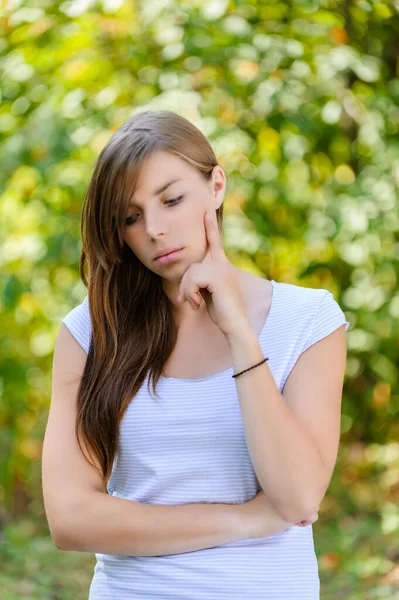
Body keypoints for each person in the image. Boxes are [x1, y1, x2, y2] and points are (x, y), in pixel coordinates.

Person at [42, 110, 349, 599]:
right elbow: (71, 518)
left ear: (217, 186)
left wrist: (239, 333)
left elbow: (296, 496)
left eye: (172, 199)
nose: (156, 230)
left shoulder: (308, 320)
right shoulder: (91, 331)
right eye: (131, 217)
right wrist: (247, 520)